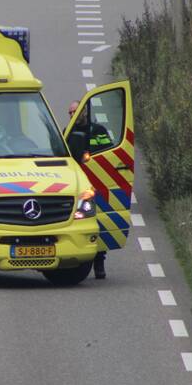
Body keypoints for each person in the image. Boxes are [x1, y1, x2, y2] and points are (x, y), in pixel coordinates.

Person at [68, 99, 112, 280]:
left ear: (85, 111)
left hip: (98, 182)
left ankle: (99, 262)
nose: (72, 115)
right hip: (77, 185)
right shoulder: (68, 132)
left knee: (99, 222)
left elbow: (108, 152)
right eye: (70, 113)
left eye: (75, 112)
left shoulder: (99, 131)